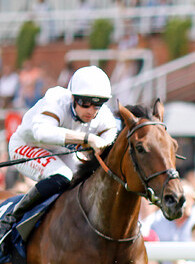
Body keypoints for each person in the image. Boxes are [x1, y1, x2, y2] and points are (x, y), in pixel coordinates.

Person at [0, 65, 116, 250]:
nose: (91, 110)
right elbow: (42, 133)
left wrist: (103, 144)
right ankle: (9, 220)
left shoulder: (102, 115)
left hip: (61, 152)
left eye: (98, 104)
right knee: (63, 175)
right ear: (73, 98)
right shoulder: (56, 99)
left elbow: (113, 132)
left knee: (81, 182)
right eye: (85, 103)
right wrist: (87, 139)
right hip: (27, 146)